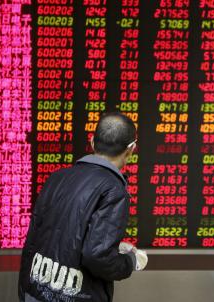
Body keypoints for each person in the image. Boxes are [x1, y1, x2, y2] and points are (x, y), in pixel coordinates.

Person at [18, 112, 147, 302]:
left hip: (34, 292)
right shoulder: (113, 190)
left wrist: (113, 246)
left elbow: (40, 236)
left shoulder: (57, 177)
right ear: (131, 149)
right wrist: (131, 261)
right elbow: (97, 257)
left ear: (93, 141)